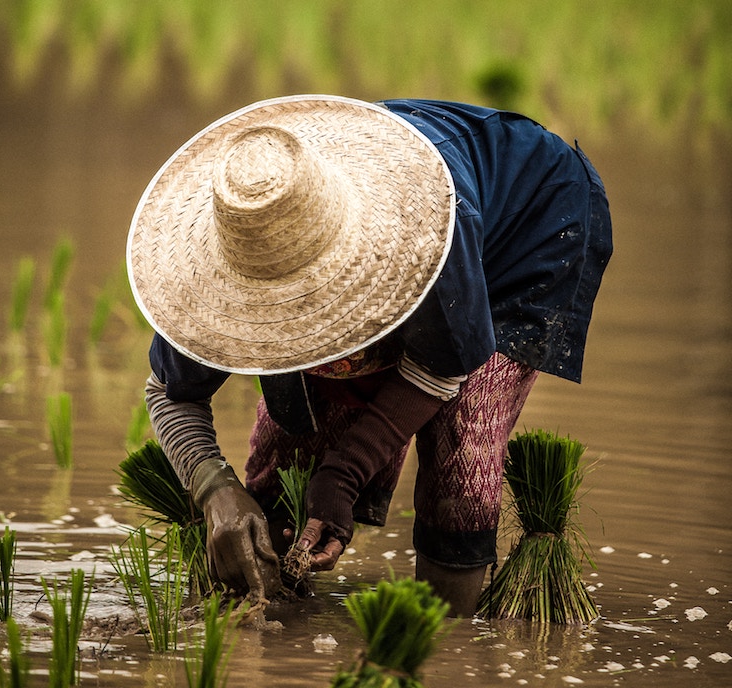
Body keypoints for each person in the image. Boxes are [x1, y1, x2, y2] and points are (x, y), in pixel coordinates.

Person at [126, 95, 612, 616]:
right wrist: (215, 490)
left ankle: (443, 639)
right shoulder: (220, 261)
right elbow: (169, 392)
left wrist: (345, 474)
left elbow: (445, 364)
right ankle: (278, 610)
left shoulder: (425, 237)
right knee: (292, 445)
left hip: (527, 224)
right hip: (376, 219)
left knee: (462, 447)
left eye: (305, 300)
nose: (291, 318)